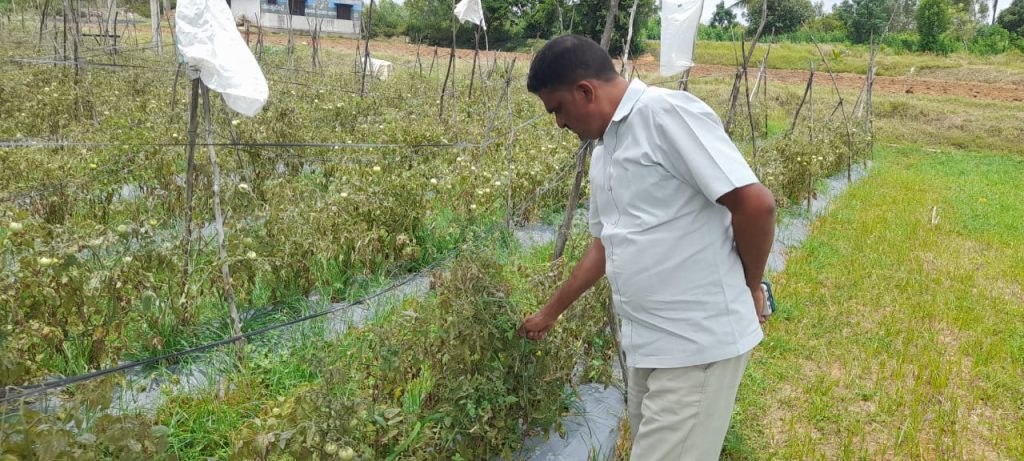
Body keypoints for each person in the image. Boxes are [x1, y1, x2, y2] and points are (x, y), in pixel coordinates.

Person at [517, 35, 776, 461]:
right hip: (647, 344)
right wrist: (550, 311)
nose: (559, 123)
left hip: (697, 344)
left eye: (558, 109)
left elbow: (755, 205)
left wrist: (750, 285)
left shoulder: (664, 115)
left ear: (586, 91)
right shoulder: (605, 152)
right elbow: (604, 246)